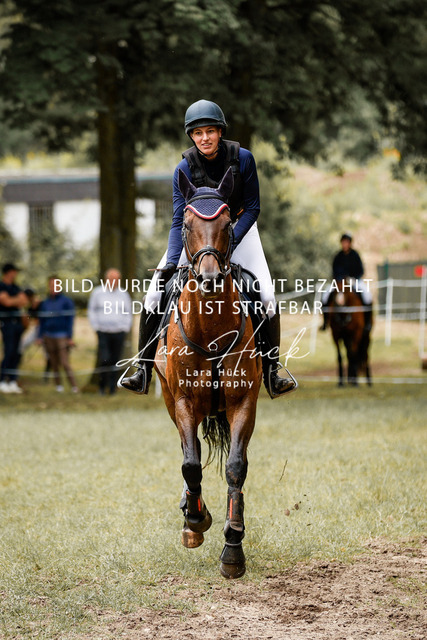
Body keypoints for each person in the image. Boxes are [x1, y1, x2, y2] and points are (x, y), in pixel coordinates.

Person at [120, 99, 297, 398]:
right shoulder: (183, 168)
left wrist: (229, 241)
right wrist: (172, 262)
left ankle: (272, 371)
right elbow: (179, 220)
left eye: (210, 131)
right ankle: (142, 370)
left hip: (238, 230)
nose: (205, 138)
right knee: (153, 295)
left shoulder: (243, 159)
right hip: (196, 237)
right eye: (198, 133)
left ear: (220, 132)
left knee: (266, 296)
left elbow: (253, 207)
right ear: (191, 136)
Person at [88, 268, 132, 394]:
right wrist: (96, 326)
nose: (114, 282)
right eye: (111, 279)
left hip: (119, 331)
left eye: (116, 279)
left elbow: (128, 312)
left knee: (115, 359)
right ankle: (102, 386)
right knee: (104, 358)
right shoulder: (97, 293)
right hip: (103, 331)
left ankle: (113, 387)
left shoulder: (124, 294)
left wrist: (125, 327)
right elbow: (92, 310)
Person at [321, 232, 373, 330]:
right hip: (339, 283)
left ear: (350, 243)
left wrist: (354, 278)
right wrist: (339, 279)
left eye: (347, 242)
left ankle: (367, 322)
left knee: (367, 296)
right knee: (325, 295)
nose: (345, 244)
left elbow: (361, 271)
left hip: (354, 281)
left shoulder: (355, 255)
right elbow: (334, 271)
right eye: (343, 242)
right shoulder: (338, 256)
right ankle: (325, 322)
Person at [37, 275, 78, 393]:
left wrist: (69, 337)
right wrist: (39, 336)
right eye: (51, 285)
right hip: (48, 336)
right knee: (53, 363)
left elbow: (70, 320)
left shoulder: (66, 301)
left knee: (65, 362)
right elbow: (41, 321)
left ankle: (74, 386)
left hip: (62, 336)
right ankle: (58, 386)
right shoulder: (45, 303)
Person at [0, 263, 29, 393]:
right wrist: (16, 300)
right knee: (9, 351)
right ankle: (2, 380)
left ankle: (12, 380)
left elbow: (24, 301)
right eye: (14, 271)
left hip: (18, 324)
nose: (15, 274)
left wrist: (12, 300)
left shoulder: (15, 287)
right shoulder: (1, 286)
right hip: (7, 323)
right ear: (8, 272)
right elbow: (5, 301)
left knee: (16, 352)